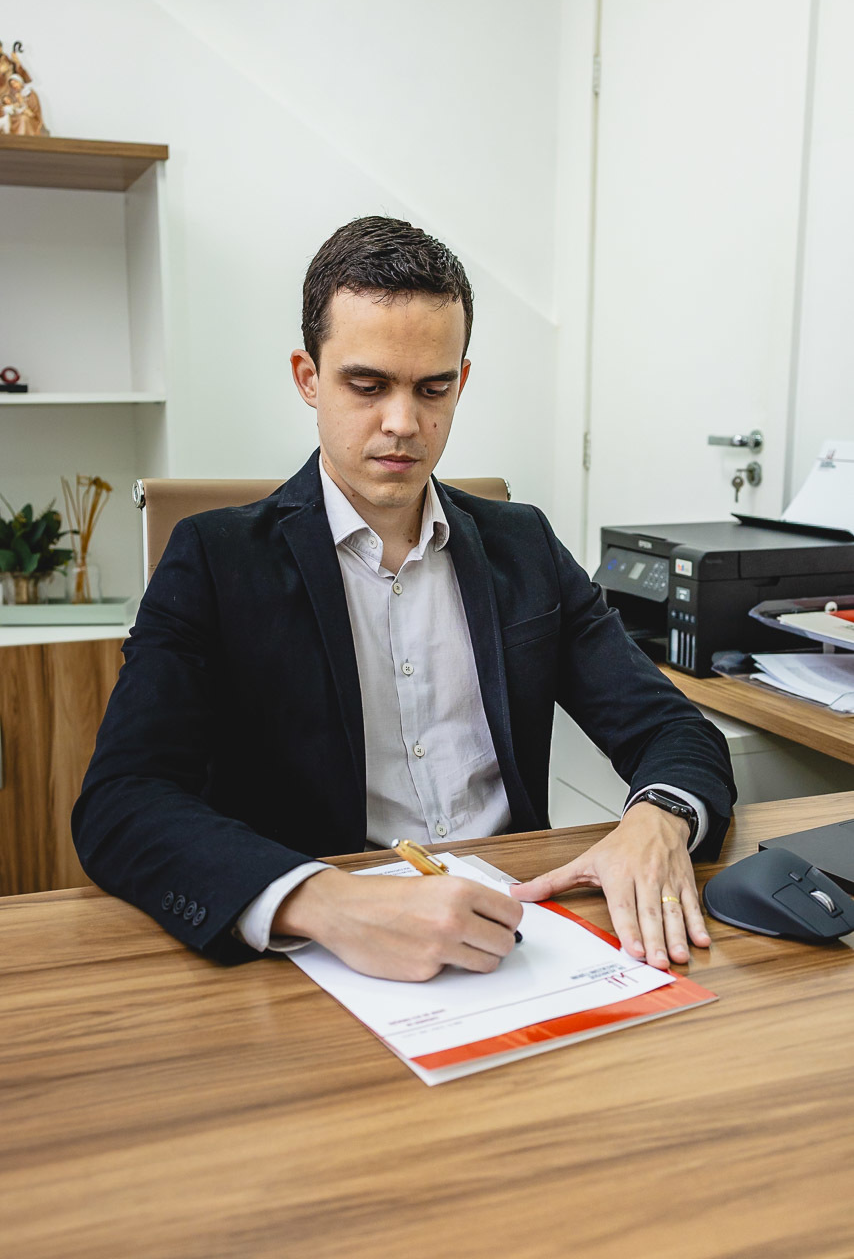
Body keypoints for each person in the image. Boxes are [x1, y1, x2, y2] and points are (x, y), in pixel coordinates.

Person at [73, 216, 736, 980]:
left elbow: (671, 727)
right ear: (306, 377)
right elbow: (122, 802)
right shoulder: (213, 559)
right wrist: (323, 900)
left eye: (433, 388)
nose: (403, 423)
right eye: (367, 385)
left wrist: (661, 816)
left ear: (461, 380)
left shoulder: (522, 545)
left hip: (521, 937)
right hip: (320, 961)